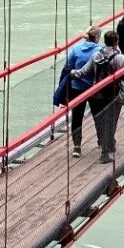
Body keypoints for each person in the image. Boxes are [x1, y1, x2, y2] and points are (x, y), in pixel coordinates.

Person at [52, 25, 102, 156]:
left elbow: (67, 67)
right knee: (98, 114)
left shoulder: (75, 48)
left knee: (77, 117)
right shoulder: (99, 51)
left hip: (76, 88)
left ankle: (77, 147)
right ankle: (101, 141)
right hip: (93, 88)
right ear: (97, 38)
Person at [80, 29, 124, 163]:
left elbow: (84, 72)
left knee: (100, 120)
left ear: (104, 41)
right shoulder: (120, 57)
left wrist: (72, 74)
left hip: (96, 95)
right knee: (110, 122)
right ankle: (106, 151)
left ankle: (103, 141)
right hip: (113, 95)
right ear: (117, 42)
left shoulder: (96, 55)